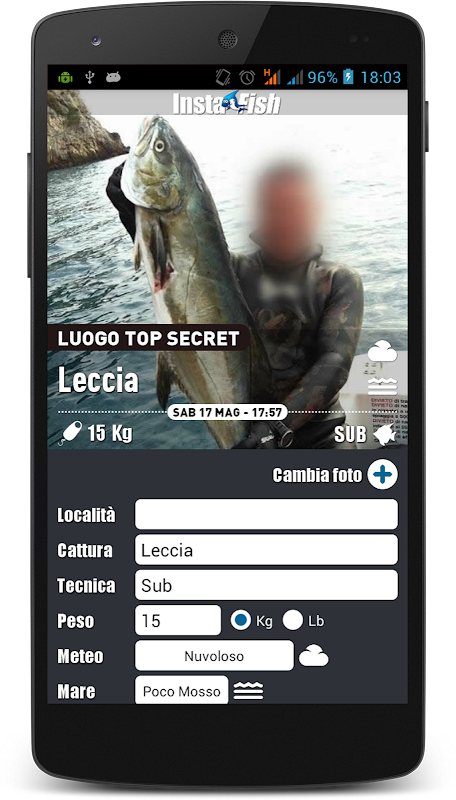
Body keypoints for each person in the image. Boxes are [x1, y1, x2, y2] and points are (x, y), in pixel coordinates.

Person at [107, 162, 363, 449]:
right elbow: (183, 264)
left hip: (323, 436)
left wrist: (275, 426)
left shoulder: (339, 279)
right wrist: (135, 214)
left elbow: (334, 361)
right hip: (245, 438)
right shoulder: (234, 271)